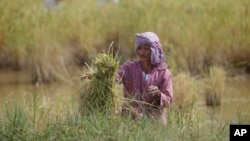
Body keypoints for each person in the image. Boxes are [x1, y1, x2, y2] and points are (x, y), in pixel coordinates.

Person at [81, 32, 173, 124]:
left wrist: (159, 95)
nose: (142, 52)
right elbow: (114, 77)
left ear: (154, 50)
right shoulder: (129, 68)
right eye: (139, 48)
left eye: (146, 49)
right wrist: (97, 76)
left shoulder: (164, 73)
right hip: (130, 121)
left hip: (154, 124)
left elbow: (168, 100)